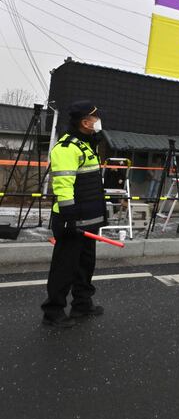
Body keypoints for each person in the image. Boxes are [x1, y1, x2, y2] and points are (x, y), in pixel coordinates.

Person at [42, 101, 107, 328]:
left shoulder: (85, 145)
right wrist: (69, 217)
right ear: (84, 122)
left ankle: (82, 304)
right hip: (71, 219)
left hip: (88, 219)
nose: (98, 121)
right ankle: (53, 312)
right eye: (94, 117)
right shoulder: (67, 147)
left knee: (85, 264)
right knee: (64, 266)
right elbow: (63, 185)